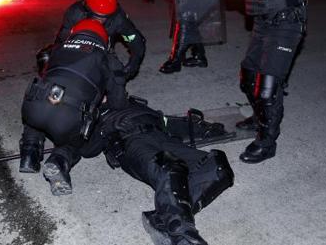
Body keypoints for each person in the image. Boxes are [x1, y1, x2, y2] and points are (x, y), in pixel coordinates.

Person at [80, 97, 234, 245]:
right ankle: (180, 233)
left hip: (163, 138)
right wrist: (94, 122)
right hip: (132, 143)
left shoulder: (134, 104)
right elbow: (87, 149)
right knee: (170, 167)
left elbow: (168, 122)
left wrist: (203, 128)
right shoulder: (95, 115)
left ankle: (164, 218)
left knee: (218, 168)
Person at [222, 0, 307, 163]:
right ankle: (259, 117)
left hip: (285, 24)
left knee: (268, 89)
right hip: (264, 22)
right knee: (248, 78)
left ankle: (267, 142)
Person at [20, 19, 128, 195]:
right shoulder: (107, 59)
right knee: (78, 141)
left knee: (40, 104)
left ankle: (29, 154)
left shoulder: (55, 48)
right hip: (66, 117)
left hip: (33, 107)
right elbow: (118, 103)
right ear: (104, 40)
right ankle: (59, 161)